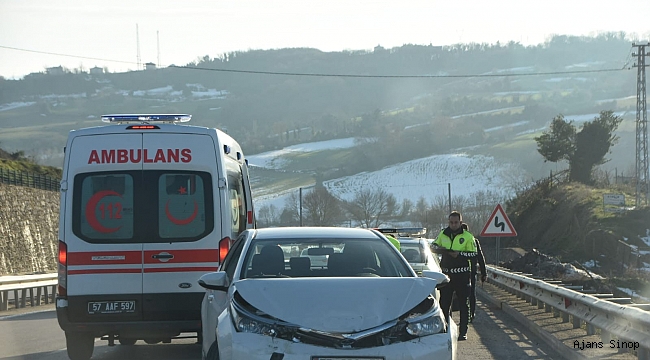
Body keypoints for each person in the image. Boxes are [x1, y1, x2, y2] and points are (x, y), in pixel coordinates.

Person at [432, 211, 478, 341]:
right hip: (446, 275)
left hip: (462, 275)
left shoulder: (468, 237)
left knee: (464, 304)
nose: (453, 225)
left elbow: (474, 254)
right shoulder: (443, 234)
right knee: (444, 304)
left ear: (460, 222)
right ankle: (444, 329)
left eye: (456, 222)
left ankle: (463, 331)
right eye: (451, 222)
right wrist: (445, 251)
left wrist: (459, 254)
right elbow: (433, 246)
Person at [462, 223, 487, 323]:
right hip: (468, 272)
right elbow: (480, 258)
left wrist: (484, 273)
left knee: (470, 293)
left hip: (468, 272)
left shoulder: (472, 241)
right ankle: (470, 313)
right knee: (470, 293)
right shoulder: (474, 241)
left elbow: (480, 257)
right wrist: (484, 273)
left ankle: (470, 313)